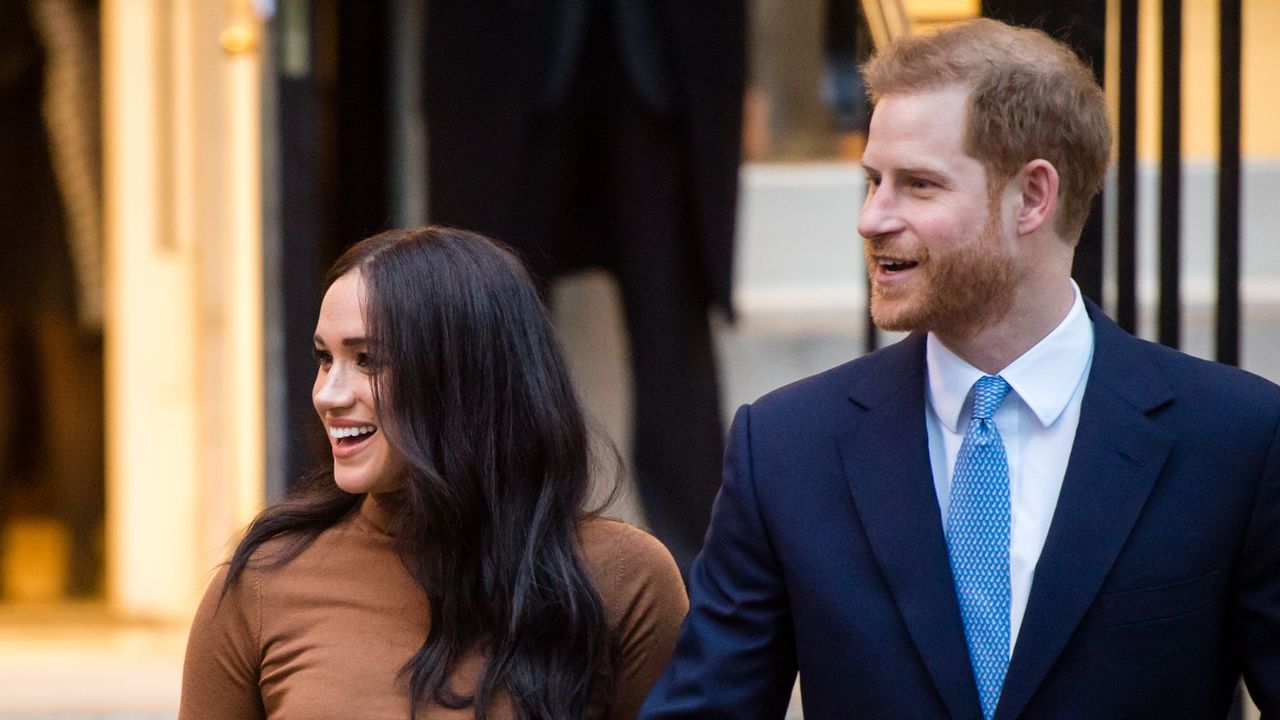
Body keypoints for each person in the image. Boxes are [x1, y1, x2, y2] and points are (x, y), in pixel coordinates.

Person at [640, 18, 1279, 720]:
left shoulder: (1235, 438)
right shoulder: (788, 447)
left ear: (1033, 197)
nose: (872, 217)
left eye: (917, 184)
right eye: (872, 180)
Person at [180, 227, 687, 719]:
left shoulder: (624, 578)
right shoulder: (264, 584)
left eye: (367, 359)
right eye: (324, 358)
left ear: (464, 377)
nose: (329, 395)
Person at [424, 0, 745, 576]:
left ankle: (703, 587)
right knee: (483, 318)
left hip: (661, 68)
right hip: (506, 67)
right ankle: (486, 562)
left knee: (674, 340)